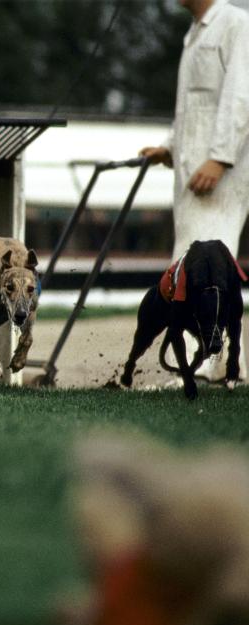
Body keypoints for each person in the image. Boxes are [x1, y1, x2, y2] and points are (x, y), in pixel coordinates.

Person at [140, 0, 249, 381]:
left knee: (212, 266)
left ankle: (211, 360)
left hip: (221, 174)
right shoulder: (195, 33)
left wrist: (220, 158)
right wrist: (169, 147)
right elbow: (192, 106)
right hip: (192, 172)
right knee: (188, 265)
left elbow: (241, 97)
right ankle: (215, 363)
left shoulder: (237, 25)